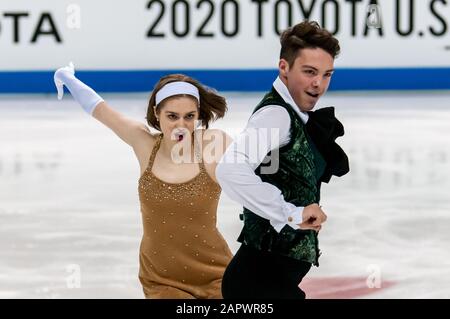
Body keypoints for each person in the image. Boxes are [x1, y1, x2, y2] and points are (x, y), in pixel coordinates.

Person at [54, 63, 233, 299]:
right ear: (157, 114)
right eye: (172, 116)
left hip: (216, 274)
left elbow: (260, 169)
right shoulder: (145, 144)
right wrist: (67, 78)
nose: (181, 125)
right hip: (161, 279)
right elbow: (100, 109)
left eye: (189, 117)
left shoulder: (212, 144)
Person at [215, 21, 350, 299]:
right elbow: (230, 169)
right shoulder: (275, 116)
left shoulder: (290, 115)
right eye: (310, 72)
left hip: (266, 281)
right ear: (284, 68)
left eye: (327, 74)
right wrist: (290, 212)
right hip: (258, 285)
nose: (318, 83)